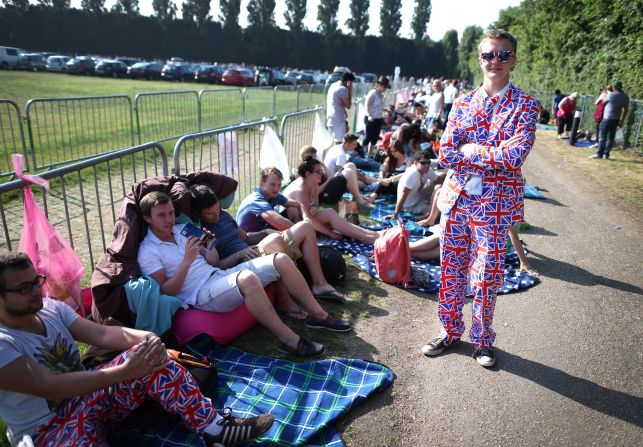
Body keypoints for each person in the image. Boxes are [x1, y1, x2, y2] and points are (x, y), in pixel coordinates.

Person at [0, 251, 275, 447]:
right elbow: (49, 386)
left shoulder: (50, 309)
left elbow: (103, 333)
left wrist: (147, 337)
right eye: (23, 288)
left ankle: (215, 429)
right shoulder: (3, 341)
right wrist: (123, 372)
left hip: (87, 399)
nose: (36, 291)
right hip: (46, 431)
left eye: (36, 281)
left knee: (149, 355)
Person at [421, 29, 539, 367]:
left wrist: (470, 149)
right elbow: (445, 152)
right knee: (451, 270)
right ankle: (449, 330)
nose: (495, 61)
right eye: (489, 54)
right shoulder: (462, 102)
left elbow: (515, 156)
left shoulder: (526, 106)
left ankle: (483, 339)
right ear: (480, 59)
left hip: (495, 205)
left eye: (503, 54)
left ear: (513, 59)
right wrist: (488, 153)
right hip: (458, 200)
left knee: (486, 275)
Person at [137, 191, 351, 359]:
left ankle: (318, 316)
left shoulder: (183, 228)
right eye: (162, 215)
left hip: (218, 274)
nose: (169, 219)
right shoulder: (148, 251)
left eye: (171, 212)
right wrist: (186, 261)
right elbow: (167, 290)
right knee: (248, 279)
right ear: (147, 218)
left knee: (280, 259)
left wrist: (208, 247)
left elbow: (213, 261)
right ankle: (288, 340)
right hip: (199, 294)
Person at [188, 184, 346, 302]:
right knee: (275, 240)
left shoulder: (224, 215)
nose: (216, 215)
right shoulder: (202, 231)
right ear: (198, 213)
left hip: (253, 251)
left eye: (217, 209)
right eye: (210, 213)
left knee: (305, 226)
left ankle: (319, 284)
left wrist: (265, 233)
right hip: (239, 264)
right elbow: (217, 267)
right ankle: (285, 302)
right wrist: (239, 254)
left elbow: (247, 238)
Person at [286, 158, 382, 244]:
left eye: (321, 171)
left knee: (336, 218)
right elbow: (308, 220)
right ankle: (365, 237)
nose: (321, 174)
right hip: (294, 223)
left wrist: (314, 208)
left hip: (306, 218)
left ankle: (371, 234)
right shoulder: (300, 191)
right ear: (307, 174)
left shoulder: (313, 183)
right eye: (318, 172)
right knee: (332, 215)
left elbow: (315, 206)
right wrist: (331, 234)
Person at [236, 167, 306, 232]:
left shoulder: (273, 194)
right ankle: (302, 237)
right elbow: (282, 223)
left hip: (263, 229)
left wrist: (306, 218)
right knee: (289, 228)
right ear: (262, 182)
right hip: (249, 238)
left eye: (279, 185)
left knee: (292, 209)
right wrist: (302, 231)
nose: (276, 189)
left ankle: (301, 239)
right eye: (273, 184)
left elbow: (297, 204)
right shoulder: (257, 200)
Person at [383, 150, 441, 222]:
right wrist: (395, 214)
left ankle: (429, 207)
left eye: (428, 163)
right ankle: (427, 216)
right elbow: (403, 195)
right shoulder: (412, 174)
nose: (426, 165)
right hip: (411, 205)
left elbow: (438, 181)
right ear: (415, 163)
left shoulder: (427, 169)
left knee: (439, 185)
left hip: (420, 195)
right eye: (423, 163)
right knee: (438, 212)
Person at [322, 133, 377, 208]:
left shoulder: (336, 147)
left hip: (330, 178)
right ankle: (360, 200)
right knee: (360, 182)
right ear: (347, 144)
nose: (356, 146)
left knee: (351, 165)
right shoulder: (341, 155)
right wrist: (359, 178)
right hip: (330, 185)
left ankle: (366, 187)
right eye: (354, 144)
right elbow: (340, 174)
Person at [590, 80, 629, 160]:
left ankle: (599, 154)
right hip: (616, 119)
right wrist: (622, 121)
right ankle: (606, 154)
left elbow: (603, 103)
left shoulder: (611, 95)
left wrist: (604, 95)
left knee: (602, 136)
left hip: (607, 118)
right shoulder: (625, 97)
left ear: (614, 87)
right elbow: (626, 110)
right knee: (611, 138)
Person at [362, 76, 391, 158]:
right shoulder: (372, 93)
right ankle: (362, 153)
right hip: (371, 119)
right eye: (384, 86)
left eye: (386, 87)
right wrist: (369, 116)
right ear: (379, 84)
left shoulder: (381, 95)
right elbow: (367, 105)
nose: (385, 89)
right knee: (368, 137)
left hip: (378, 118)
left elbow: (379, 106)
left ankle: (369, 154)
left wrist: (386, 110)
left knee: (375, 138)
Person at [326, 72, 355, 143]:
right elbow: (348, 105)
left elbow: (336, 101)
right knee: (338, 142)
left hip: (331, 116)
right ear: (348, 82)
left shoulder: (333, 85)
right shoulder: (342, 89)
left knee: (336, 140)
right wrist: (350, 90)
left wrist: (344, 111)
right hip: (338, 118)